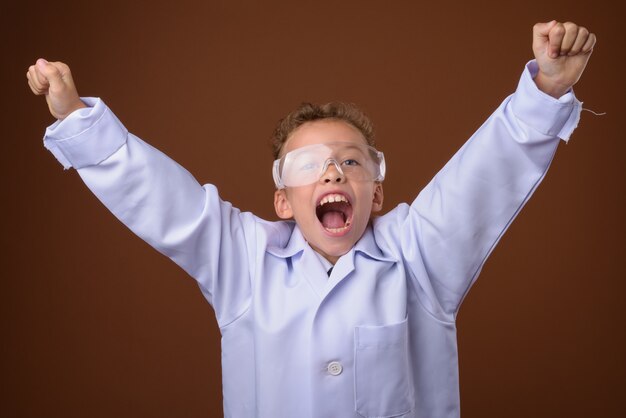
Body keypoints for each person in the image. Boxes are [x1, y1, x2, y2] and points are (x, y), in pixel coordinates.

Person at [27, 20, 595, 418]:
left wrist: (545, 90)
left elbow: (483, 180)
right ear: (282, 200)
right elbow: (160, 197)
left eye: (352, 161)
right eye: (308, 164)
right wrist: (78, 118)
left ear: (375, 194)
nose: (333, 173)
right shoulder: (243, 261)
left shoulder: (418, 256)